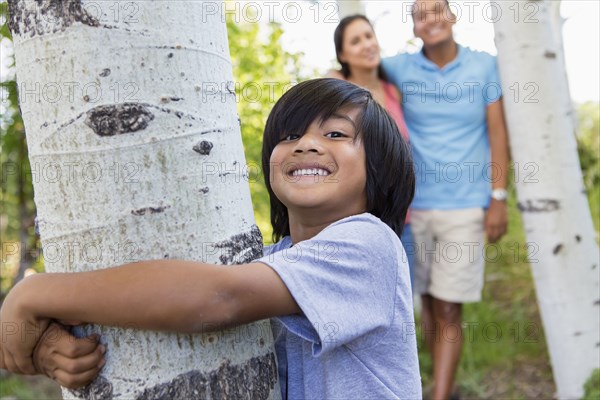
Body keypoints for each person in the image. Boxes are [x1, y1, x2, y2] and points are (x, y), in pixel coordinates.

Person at [0, 78, 422, 399]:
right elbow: (158, 292)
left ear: (379, 170)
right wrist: (46, 347)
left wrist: (36, 293)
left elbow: (216, 299)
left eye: (335, 134)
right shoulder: (274, 260)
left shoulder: (369, 244)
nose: (305, 145)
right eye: (290, 135)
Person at [381, 1, 510, 399]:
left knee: (451, 304)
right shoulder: (399, 69)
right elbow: (357, 71)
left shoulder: (485, 66)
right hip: (414, 208)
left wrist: (498, 198)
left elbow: (498, 134)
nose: (430, 19)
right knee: (428, 305)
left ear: (452, 17)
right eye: (420, 15)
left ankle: (439, 394)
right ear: (415, 28)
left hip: (466, 206)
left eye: (437, 10)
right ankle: (438, 383)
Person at [327, 15, 416, 283]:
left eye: (369, 36)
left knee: (401, 304)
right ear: (343, 54)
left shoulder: (392, 91)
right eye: (356, 41)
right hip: (358, 218)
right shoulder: (339, 92)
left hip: (402, 215)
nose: (366, 44)